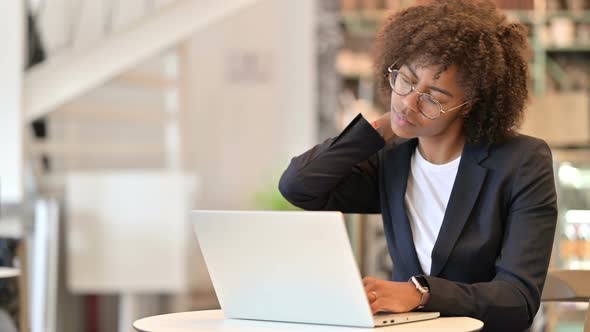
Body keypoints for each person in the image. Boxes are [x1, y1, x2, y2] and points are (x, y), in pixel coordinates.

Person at [278, 1, 557, 331]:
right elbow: (299, 186)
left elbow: (517, 300)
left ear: (470, 107)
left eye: (434, 97)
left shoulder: (522, 162)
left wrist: (420, 293)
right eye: (406, 80)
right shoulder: (392, 158)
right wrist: (384, 126)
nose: (410, 102)